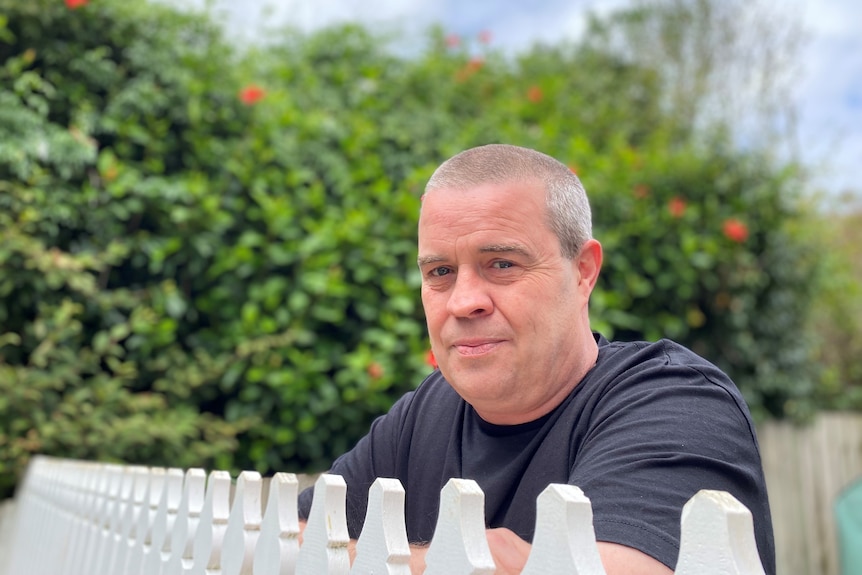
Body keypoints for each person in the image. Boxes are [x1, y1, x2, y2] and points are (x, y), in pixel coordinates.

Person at [297, 143, 776, 574]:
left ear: (583, 272)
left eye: (502, 264)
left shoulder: (677, 403)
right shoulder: (423, 414)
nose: (464, 302)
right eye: (440, 271)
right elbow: (286, 540)